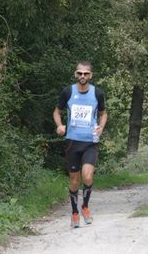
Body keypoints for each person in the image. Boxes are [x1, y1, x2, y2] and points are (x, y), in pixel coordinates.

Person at [53, 61, 107, 228]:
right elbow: (57, 112)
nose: (82, 76)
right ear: (76, 74)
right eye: (79, 73)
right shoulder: (68, 92)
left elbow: (104, 113)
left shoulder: (97, 93)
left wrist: (101, 127)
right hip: (72, 142)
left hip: (90, 142)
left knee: (88, 176)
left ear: (91, 75)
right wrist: (60, 125)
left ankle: (85, 207)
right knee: (74, 181)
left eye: (86, 73)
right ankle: (75, 212)